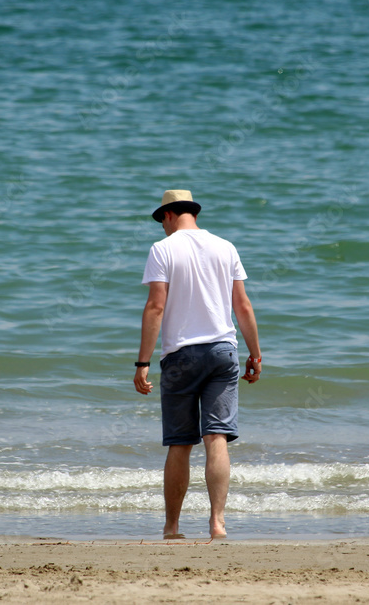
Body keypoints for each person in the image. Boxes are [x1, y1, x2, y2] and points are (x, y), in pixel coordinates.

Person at [133, 189, 262, 539]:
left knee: (180, 443)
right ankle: (217, 523)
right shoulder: (226, 247)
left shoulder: (163, 250)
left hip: (181, 355)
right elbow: (243, 306)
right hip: (223, 351)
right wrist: (255, 353)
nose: (162, 227)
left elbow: (155, 307)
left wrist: (142, 361)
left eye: (162, 221)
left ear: (170, 215)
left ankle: (172, 527)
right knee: (216, 437)